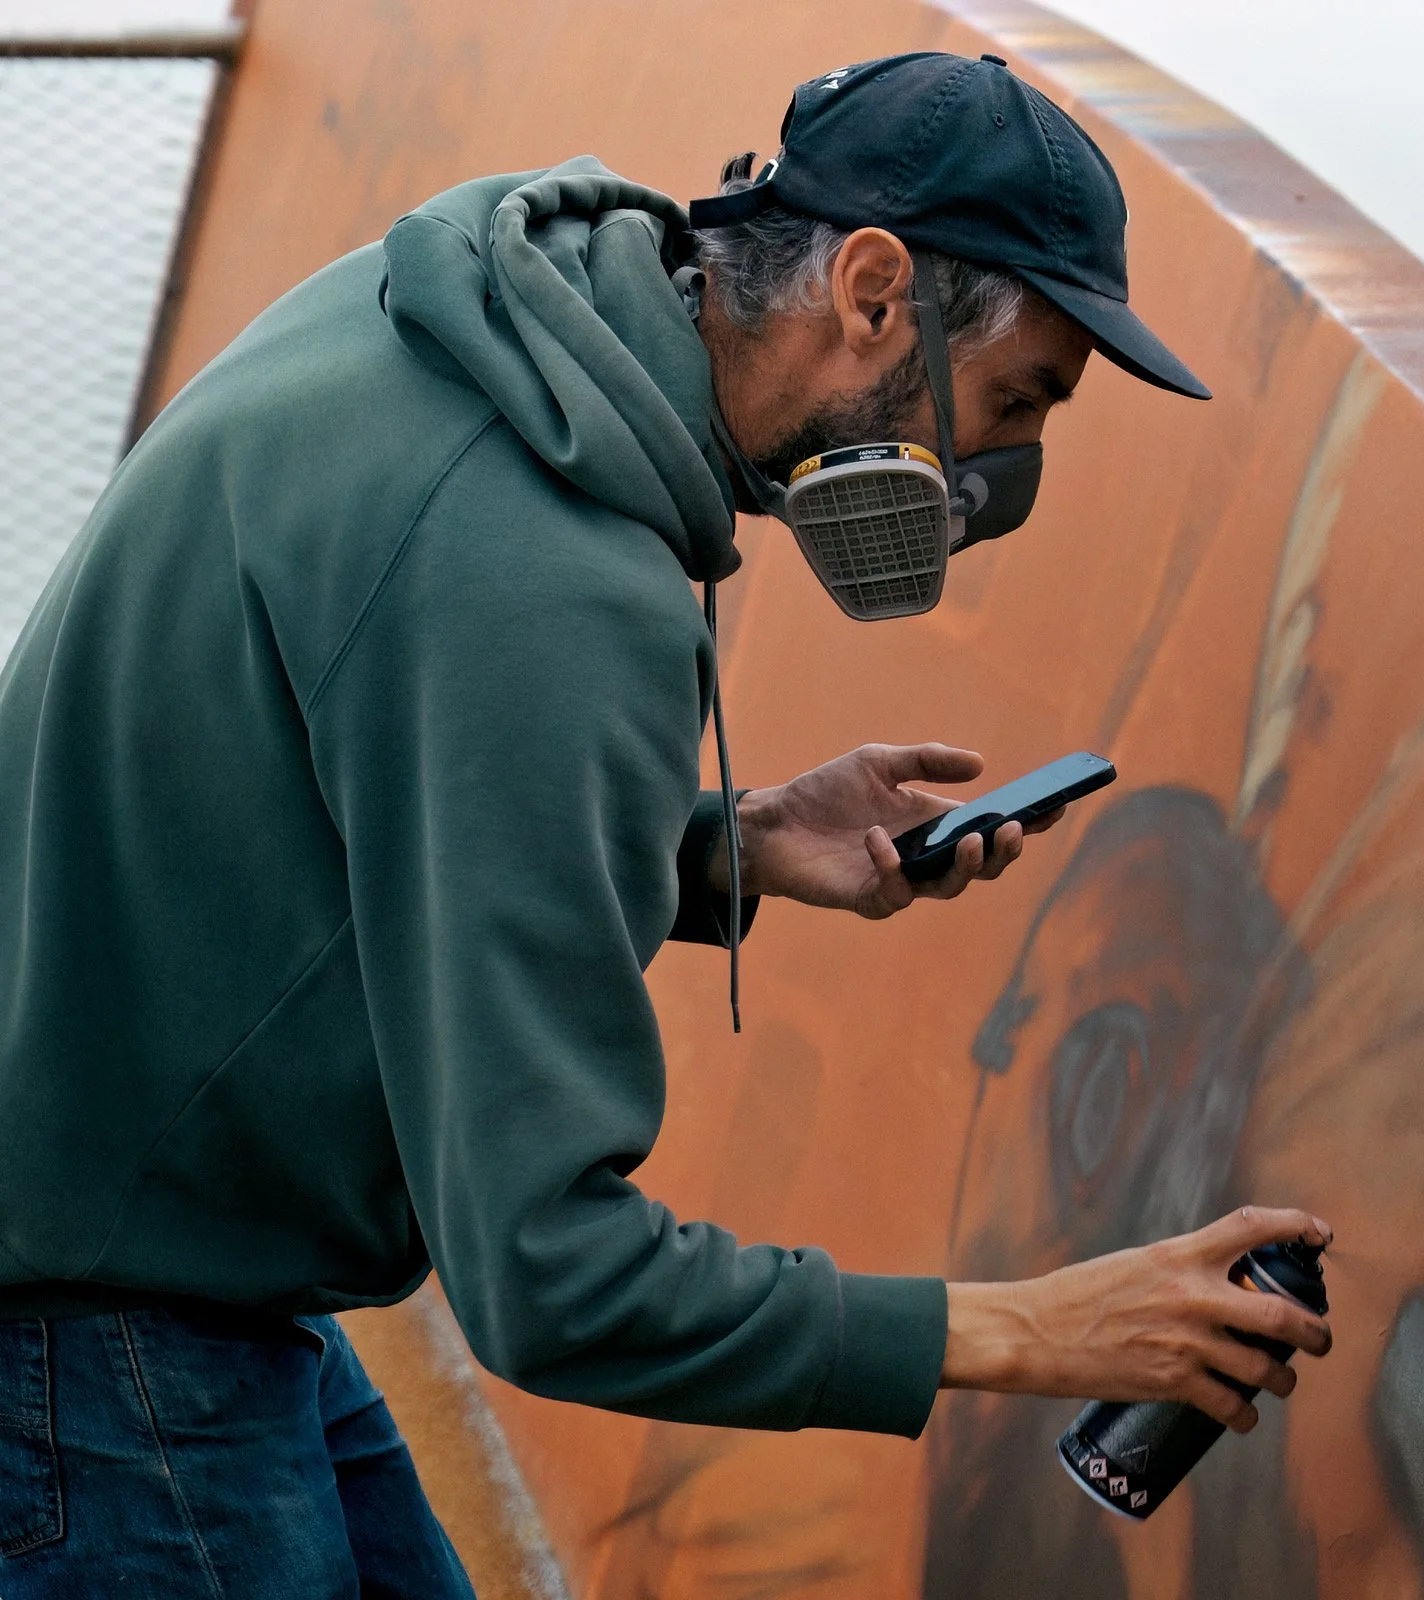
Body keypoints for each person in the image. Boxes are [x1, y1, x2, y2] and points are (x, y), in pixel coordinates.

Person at [0, 51, 1331, 1594]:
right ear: (874, 291)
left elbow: (352, 775)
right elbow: (550, 1278)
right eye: (1018, 400)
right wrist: (1031, 1327)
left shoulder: (489, 318)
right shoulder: (546, 574)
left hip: (153, 1238)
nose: (996, 479)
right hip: (102, 1338)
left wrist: (728, 841)